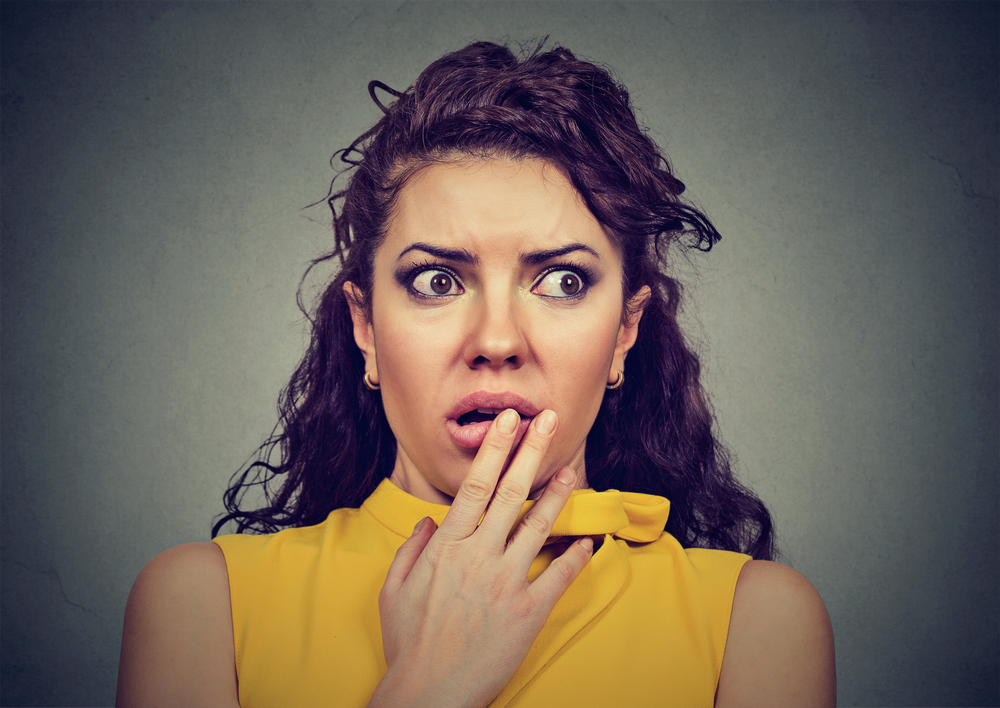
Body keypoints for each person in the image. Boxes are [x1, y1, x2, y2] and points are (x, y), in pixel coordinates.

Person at [116, 41, 835, 707]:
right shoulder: (202, 606)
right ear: (365, 328)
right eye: (435, 281)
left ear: (625, 333)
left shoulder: (755, 622)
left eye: (560, 282)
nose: (496, 340)